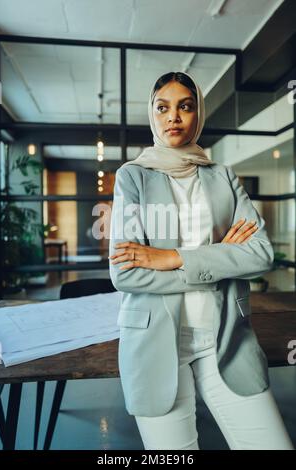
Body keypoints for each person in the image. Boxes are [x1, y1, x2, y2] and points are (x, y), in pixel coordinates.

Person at [108, 71, 294, 450]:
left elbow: (260, 253)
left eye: (185, 107)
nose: (173, 116)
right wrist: (221, 261)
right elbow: (125, 273)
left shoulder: (222, 176)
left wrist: (172, 258)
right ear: (153, 115)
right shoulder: (133, 177)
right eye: (163, 108)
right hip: (157, 347)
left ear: (198, 114)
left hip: (224, 340)